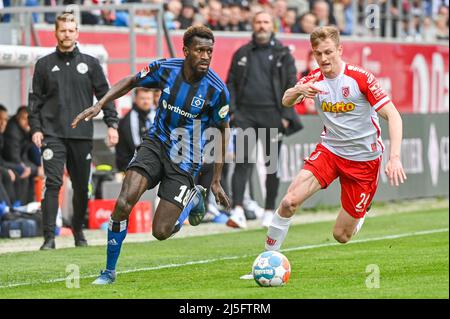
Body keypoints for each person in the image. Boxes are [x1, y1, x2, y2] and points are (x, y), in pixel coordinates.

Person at [241, 25, 407, 279]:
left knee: (341, 236)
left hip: (364, 161)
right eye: (318, 53)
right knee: (289, 202)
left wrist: (394, 157)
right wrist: (298, 91)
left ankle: (360, 212)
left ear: (340, 50)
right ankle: (265, 261)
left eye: (329, 52)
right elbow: (286, 99)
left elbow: (393, 115)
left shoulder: (360, 79)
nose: (324, 58)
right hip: (329, 152)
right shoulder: (313, 79)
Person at [71, 25, 231, 285]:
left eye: (210, 51)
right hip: (155, 144)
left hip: (185, 159)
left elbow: (223, 131)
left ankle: (192, 200)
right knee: (124, 202)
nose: (205, 56)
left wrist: (215, 180)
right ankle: (109, 271)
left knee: (161, 231)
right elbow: (132, 81)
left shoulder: (216, 91)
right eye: (200, 50)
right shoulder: (166, 69)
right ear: (186, 50)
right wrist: (100, 103)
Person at [28, 13, 119, 250]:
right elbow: (34, 101)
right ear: (56, 33)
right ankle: (49, 237)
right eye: (62, 30)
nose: (67, 34)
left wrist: (112, 124)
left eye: (71, 30)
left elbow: (106, 96)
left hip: (81, 134)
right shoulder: (44, 64)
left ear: (77, 33)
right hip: (52, 134)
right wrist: (36, 129)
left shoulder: (90, 63)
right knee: (53, 183)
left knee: (80, 186)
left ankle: (78, 231)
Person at [225, 11, 303, 230]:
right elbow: (230, 82)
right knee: (241, 162)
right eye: (258, 22)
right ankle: (237, 211)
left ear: (273, 26)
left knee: (271, 166)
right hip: (245, 115)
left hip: (273, 115)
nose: (261, 26)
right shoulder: (242, 52)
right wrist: (233, 112)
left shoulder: (283, 53)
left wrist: (287, 116)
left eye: (265, 22)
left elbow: (292, 83)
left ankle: (270, 211)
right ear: (252, 25)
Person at [115, 87, 157, 172]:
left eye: (148, 98)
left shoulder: (157, 116)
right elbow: (133, 146)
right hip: (132, 166)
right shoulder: (127, 120)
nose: (146, 102)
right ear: (136, 99)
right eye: (142, 98)